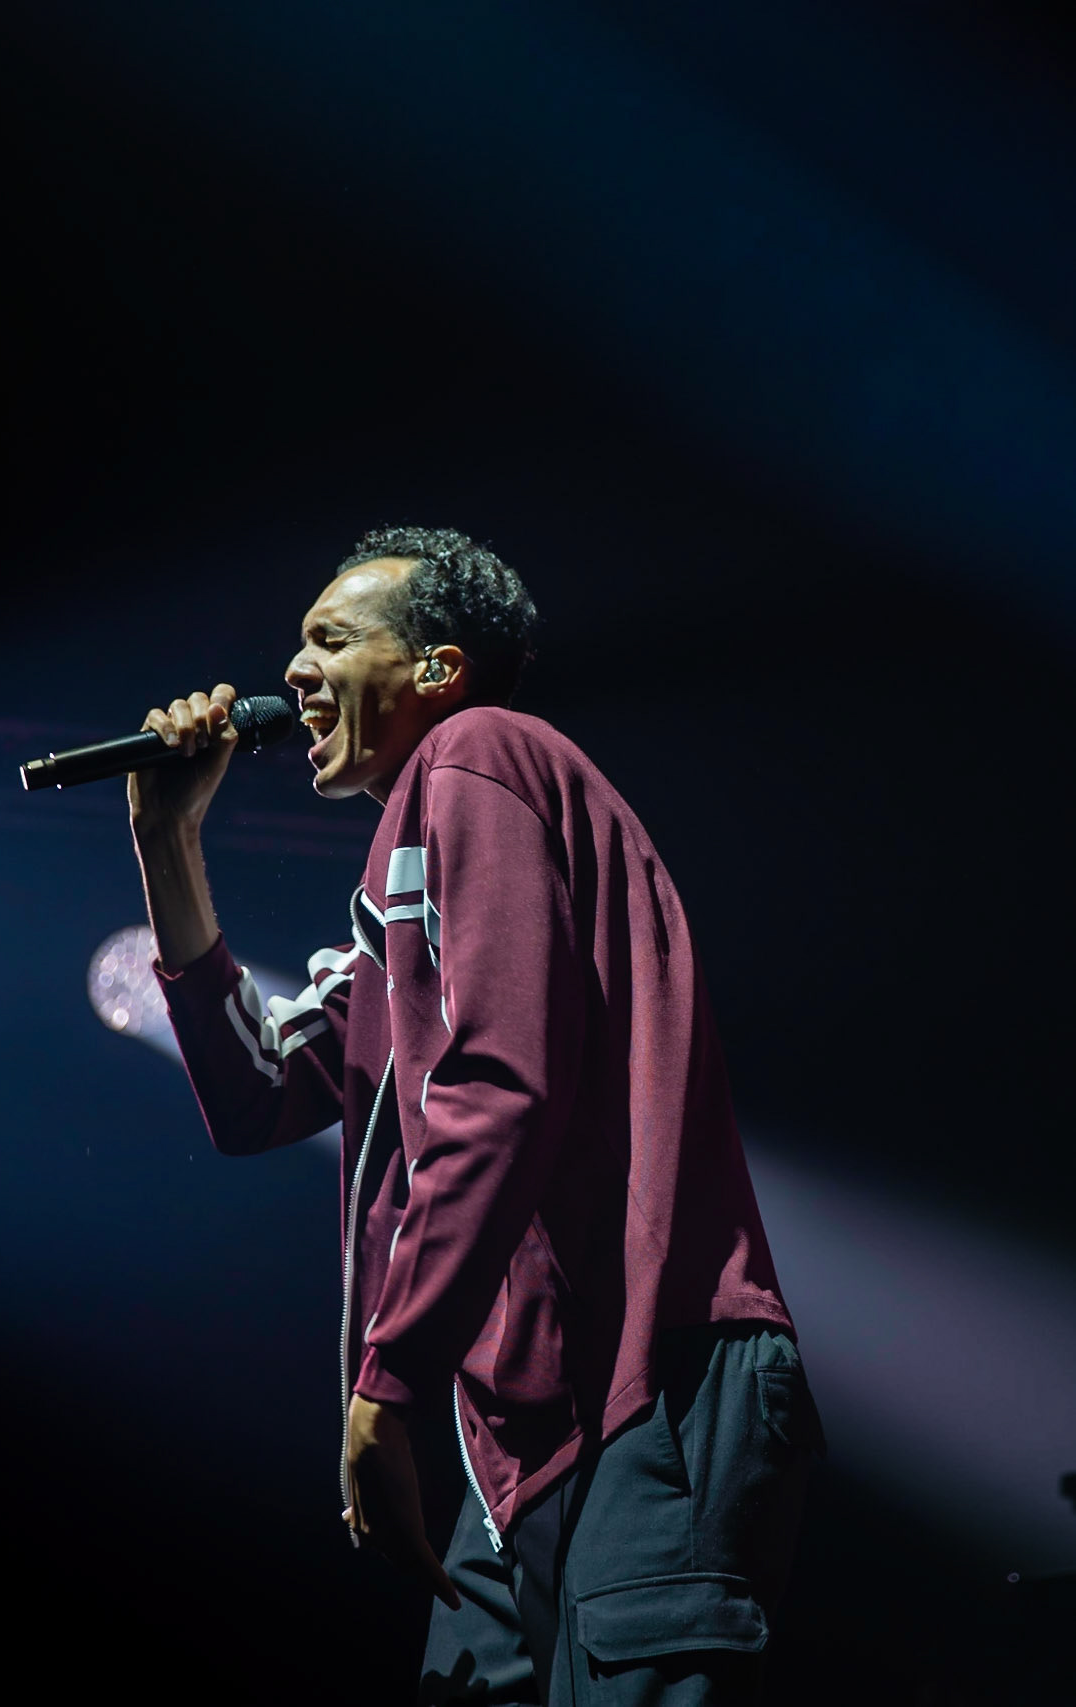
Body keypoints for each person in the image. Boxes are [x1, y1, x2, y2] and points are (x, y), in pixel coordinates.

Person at [130, 527, 822, 1706]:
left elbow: (502, 1084)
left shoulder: (476, 755)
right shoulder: (395, 912)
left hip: (649, 1373)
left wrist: (389, 1376)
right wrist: (165, 838)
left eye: (330, 640)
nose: (288, 673)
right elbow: (257, 1095)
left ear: (438, 670)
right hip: (529, 1435)